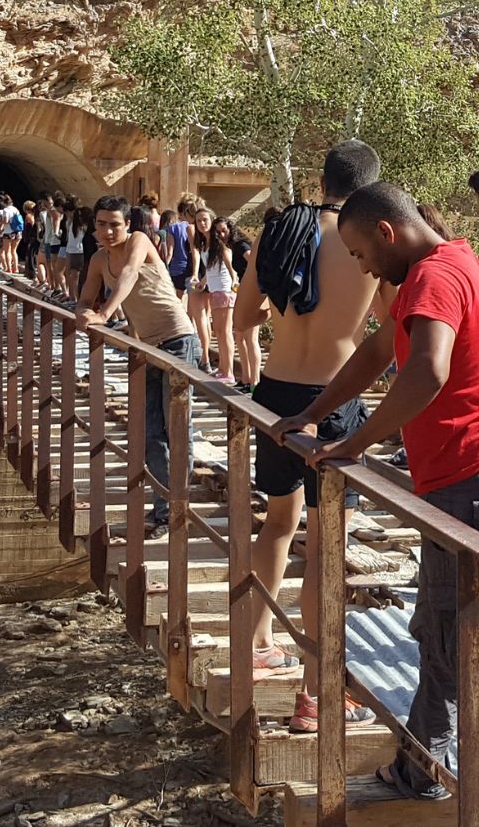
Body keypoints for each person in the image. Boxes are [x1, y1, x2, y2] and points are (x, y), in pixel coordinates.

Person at [274, 182, 479, 796]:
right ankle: (430, 763)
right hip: (458, 473)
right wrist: (316, 412)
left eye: (361, 254)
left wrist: (353, 443)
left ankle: (423, 772)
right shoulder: (459, 261)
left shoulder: (430, 279)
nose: (361, 266)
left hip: (460, 476)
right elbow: (377, 351)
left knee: (443, 629)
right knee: (448, 626)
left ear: (387, 234)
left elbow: (427, 367)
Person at [233, 138, 382, 733]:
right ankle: (315, 695)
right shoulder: (368, 241)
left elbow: (244, 317)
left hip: (274, 393)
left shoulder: (280, 231)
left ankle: (258, 641)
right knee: (325, 547)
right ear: (371, 188)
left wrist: (291, 310)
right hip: (334, 401)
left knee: (276, 523)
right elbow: (391, 334)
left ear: (322, 180)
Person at [76, 195, 200, 539]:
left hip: (178, 341)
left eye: (115, 224)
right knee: (151, 433)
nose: (108, 230)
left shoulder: (140, 241)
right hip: (146, 347)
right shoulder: (99, 259)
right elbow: (85, 297)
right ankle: (163, 510)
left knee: (177, 429)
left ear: (127, 224)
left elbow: (129, 275)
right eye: (102, 224)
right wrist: (83, 311)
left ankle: (179, 506)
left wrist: (104, 313)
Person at [189, 208, 237, 381]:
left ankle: (228, 371)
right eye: (198, 220)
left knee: (225, 332)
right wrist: (204, 280)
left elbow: (230, 268)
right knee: (218, 331)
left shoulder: (220, 244)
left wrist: (234, 283)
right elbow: (212, 268)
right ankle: (223, 368)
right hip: (215, 289)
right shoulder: (205, 244)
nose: (202, 223)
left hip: (224, 290)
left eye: (205, 219)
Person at [215, 217, 261, 392]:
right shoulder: (233, 246)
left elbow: (254, 262)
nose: (221, 235)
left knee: (250, 338)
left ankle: (255, 382)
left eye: (223, 231)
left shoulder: (241, 245)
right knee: (240, 336)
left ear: (231, 229)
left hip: (251, 292)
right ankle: (246, 379)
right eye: (218, 232)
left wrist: (252, 285)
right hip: (243, 290)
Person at [166, 196, 197, 298]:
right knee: (194, 299)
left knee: (177, 298)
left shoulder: (173, 228)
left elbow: (170, 251)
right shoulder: (196, 227)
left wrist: (165, 266)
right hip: (191, 267)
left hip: (177, 267)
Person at [65, 204, 91, 301]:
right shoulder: (84, 227)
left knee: (72, 276)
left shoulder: (71, 224)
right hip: (80, 251)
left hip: (71, 251)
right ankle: (78, 299)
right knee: (78, 277)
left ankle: (73, 298)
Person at [0, 193, 23, 274]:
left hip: (8, 232)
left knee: (7, 251)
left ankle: (9, 268)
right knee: (14, 251)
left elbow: (6, 221)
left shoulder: (6, 210)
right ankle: (16, 268)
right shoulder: (16, 209)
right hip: (18, 232)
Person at [21, 200, 39, 279]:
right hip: (34, 237)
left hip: (32, 237)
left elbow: (32, 224)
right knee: (32, 254)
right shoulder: (35, 215)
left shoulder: (29, 216)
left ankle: (31, 273)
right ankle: (30, 272)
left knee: (30, 255)